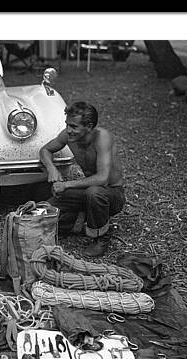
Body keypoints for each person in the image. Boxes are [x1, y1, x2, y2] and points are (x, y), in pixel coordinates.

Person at [39, 101, 125, 257]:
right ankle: (79, 219)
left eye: (74, 126)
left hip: (112, 194)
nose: (68, 130)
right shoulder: (68, 135)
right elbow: (45, 150)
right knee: (50, 205)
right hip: (89, 191)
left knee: (94, 193)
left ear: (89, 126)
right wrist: (51, 168)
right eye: (67, 125)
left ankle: (101, 238)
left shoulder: (102, 137)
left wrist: (66, 184)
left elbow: (102, 179)